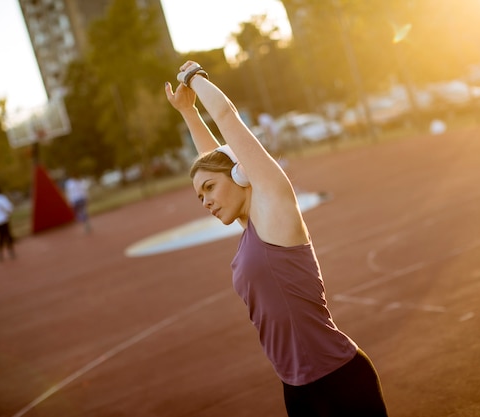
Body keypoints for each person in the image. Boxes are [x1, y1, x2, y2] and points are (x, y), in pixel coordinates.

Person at [165, 61, 388, 416]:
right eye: (199, 196)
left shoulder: (275, 214)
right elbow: (214, 160)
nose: (205, 200)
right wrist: (189, 113)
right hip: (296, 390)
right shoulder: (251, 229)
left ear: (242, 176)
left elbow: (225, 117)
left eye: (209, 189)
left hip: (340, 380)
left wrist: (195, 76)